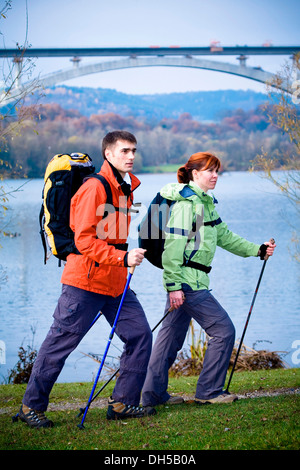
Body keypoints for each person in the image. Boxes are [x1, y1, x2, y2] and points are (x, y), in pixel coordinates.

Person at [18, 130, 156, 428]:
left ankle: (122, 403)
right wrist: (122, 257)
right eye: (124, 151)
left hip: (115, 281)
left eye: (133, 151)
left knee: (140, 335)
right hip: (85, 281)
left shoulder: (125, 187)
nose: (131, 156)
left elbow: (113, 237)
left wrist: (123, 258)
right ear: (108, 154)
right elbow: (84, 241)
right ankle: (31, 406)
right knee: (60, 344)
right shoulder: (95, 187)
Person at [142, 151, 276, 407]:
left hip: (189, 282)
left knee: (169, 338)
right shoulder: (186, 205)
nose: (215, 175)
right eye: (210, 171)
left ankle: (152, 394)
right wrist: (174, 287)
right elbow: (172, 248)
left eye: (217, 170)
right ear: (195, 174)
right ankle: (209, 391)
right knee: (224, 331)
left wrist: (256, 249)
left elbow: (225, 237)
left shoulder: (205, 203)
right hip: (187, 283)